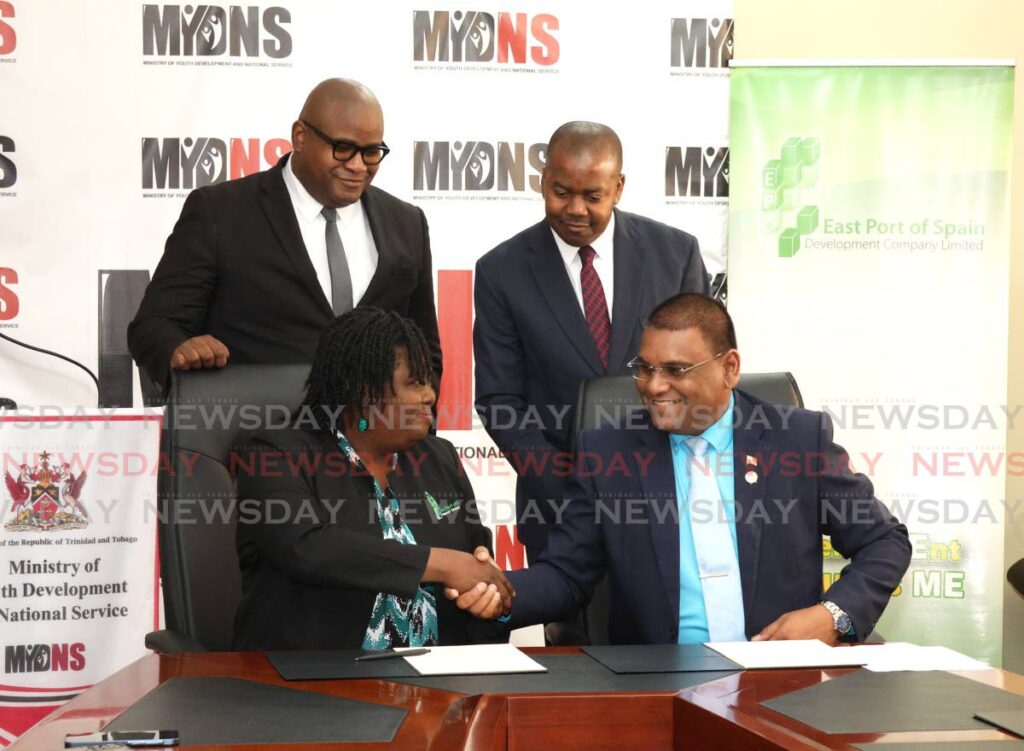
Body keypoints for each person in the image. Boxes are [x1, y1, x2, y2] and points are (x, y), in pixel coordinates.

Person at [452, 293, 912, 645]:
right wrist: (501, 590)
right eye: (645, 368)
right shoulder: (607, 453)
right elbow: (568, 575)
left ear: (729, 367)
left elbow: (884, 541)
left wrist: (831, 616)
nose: (654, 387)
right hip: (659, 687)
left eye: (675, 370)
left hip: (778, 677)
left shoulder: (797, 439)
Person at [473, 121, 710, 561]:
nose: (575, 209)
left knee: (668, 630)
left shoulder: (676, 254)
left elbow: (701, 377)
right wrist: (571, 488)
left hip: (669, 497)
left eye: (593, 196)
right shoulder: (500, 271)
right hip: (558, 511)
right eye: (561, 192)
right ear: (542, 182)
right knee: (570, 631)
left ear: (618, 188)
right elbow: (500, 400)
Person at [129, 78, 441, 393]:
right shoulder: (221, 212)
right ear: (300, 136)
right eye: (343, 148)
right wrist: (179, 350)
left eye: (372, 152)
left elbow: (424, 349)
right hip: (252, 433)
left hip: (371, 436)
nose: (358, 166)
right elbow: (153, 326)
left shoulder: (406, 223)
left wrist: (413, 432)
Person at [232, 308, 509, 650]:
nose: (430, 396)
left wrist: (489, 600)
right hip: (310, 684)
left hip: (439, 682)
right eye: (415, 383)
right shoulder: (275, 454)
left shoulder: (439, 457)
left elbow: (478, 564)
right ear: (360, 388)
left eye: (429, 382)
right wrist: (443, 564)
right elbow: (306, 546)